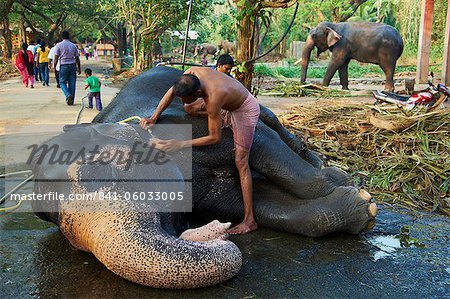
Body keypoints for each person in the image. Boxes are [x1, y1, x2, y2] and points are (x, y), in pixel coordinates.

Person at [139, 67, 260, 235]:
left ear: (197, 93)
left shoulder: (214, 97)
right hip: (225, 100)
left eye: (188, 98)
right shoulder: (191, 73)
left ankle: (249, 220)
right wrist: (154, 116)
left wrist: (178, 144)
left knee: (241, 161)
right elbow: (172, 92)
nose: (183, 101)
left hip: (243, 109)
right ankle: (222, 116)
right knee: (189, 108)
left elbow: (214, 137)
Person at [54, 31, 81, 105]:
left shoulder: (58, 45)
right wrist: (79, 68)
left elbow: (56, 57)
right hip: (72, 65)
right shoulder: (73, 46)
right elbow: (77, 58)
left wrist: (54, 66)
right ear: (69, 36)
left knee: (62, 82)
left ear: (61, 37)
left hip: (64, 65)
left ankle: (67, 95)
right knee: (72, 83)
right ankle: (71, 100)